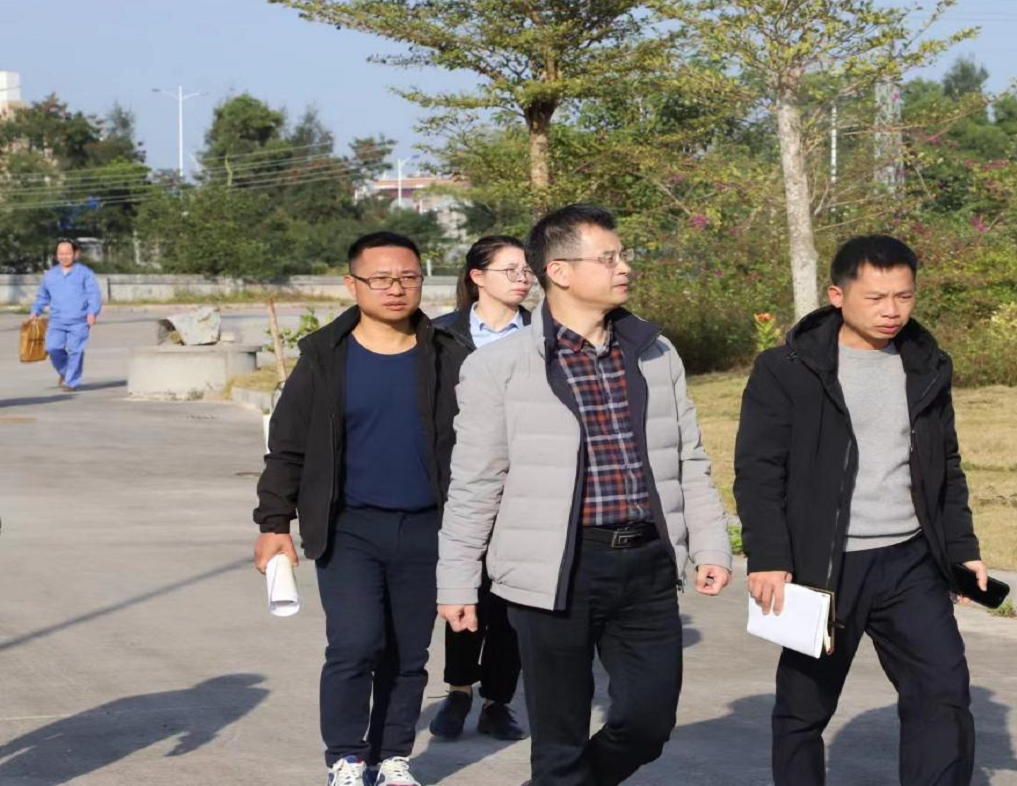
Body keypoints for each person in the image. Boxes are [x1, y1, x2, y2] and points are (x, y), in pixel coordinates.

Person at [437, 203, 733, 786]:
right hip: (556, 571)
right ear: (560, 271)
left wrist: (711, 544)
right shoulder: (499, 367)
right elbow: (475, 482)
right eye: (608, 258)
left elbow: (687, 459)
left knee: (648, 722)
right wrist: (457, 580)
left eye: (623, 256)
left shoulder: (655, 353)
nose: (624, 267)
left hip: (646, 563)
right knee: (560, 739)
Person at [733, 234, 987, 786]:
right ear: (837, 296)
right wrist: (769, 556)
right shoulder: (786, 368)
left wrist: (962, 549)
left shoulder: (927, 365)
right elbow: (758, 471)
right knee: (803, 708)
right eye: (875, 297)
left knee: (943, 692)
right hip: (824, 566)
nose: (892, 310)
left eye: (904, 296)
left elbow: (945, 464)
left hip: (910, 561)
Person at [253, 231, 465, 786]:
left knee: (409, 653)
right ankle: (346, 757)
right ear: (352, 284)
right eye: (382, 278)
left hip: (428, 528)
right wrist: (274, 523)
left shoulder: (449, 355)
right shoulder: (325, 358)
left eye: (408, 277)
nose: (396, 288)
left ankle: (392, 757)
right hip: (349, 527)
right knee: (355, 643)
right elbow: (287, 446)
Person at [427, 235, 534, 741]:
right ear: (477, 276)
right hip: (460, 479)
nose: (522, 278)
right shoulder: (440, 335)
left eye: (527, 270)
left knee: (512, 600)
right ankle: (458, 690)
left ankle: (498, 700)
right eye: (510, 270)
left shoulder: (543, 333)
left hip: (528, 486)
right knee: (465, 589)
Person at [27, 239, 102, 392]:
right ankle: (66, 372)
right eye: (61, 253)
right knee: (52, 348)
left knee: (76, 351)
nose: (64, 256)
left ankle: (71, 382)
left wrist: (92, 312)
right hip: (57, 320)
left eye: (68, 253)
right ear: (56, 255)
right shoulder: (50, 275)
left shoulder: (85, 273)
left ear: (75, 254)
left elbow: (94, 294)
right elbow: (42, 296)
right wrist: (35, 311)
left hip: (79, 320)